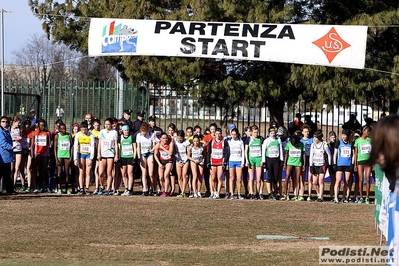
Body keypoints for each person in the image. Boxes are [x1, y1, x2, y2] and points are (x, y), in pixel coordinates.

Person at [97, 117, 119, 195]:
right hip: (103, 154)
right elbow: (99, 143)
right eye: (106, 124)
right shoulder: (102, 132)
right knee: (100, 173)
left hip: (110, 154)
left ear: (111, 125)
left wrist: (116, 155)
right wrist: (98, 153)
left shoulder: (114, 132)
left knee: (109, 172)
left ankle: (108, 188)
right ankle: (102, 186)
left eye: (108, 124)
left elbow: (116, 144)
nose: (107, 126)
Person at [309, 130, 331, 202]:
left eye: (315, 138)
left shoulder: (324, 145)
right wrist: (311, 165)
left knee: (320, 181)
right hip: (315, 165)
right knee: (314, 182)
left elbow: (329, 154)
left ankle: (321, 197)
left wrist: (329, 164)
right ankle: (318, 193)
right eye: (314, 138)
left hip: (322, 165)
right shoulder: (313, 145)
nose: (314, 139)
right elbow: (311, 156)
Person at [206, 127, 229, 199]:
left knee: (219, 178)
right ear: (214, 134)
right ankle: (214, 191)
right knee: (213, 178)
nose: (218, 135)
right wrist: (208, 162)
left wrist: (225, 162)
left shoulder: (224, 142)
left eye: (219, 134)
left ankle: (218, 193)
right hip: (213, 162)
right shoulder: (211, 142)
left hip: (220, 162)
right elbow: (209, 152)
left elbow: (226, 153)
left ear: (221, 134)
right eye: (216, 133)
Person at [73, 121, 95, 195]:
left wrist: (91, 158)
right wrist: (75, 159)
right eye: (82, 129)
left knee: (88, 172)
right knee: (81, 172)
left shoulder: (91, 135)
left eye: (85, 130)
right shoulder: (78, 135)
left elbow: (92, 147)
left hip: (88, 154)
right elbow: (76, 146)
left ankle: (87, 188)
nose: (84, 131)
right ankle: (81, 188)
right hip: (81, 154)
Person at [262, 127, 283, 200]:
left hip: (276, 159)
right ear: (269, 133)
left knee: (275, 177)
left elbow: (280, 150)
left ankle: (275, 192)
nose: (273, 135)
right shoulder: (266, 141)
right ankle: (269, 192)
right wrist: (264, 161)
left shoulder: (278, 140)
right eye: (271, 133)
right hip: (269, 159)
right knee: (269, 177)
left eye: (274, 133)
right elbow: (264, 151)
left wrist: (281, 159)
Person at [333, 129, 354, 203]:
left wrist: (352, 164)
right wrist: (334, 164)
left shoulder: (350, 144)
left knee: (347, 181)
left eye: (345, 135)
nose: (343, 136)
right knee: (338, 181)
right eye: (342, 135)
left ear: (347, 136)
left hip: (348, 165)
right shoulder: (338, 142)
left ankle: (344, 197)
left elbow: (353, 154)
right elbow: (335, 154)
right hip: (339, 164)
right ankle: (336, 197)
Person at [282, 135, 305, 201]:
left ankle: (296, 195)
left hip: (298, 163)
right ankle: (285, 194)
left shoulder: (301, 144)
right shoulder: (288, 144)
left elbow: (303, 154)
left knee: (297, 179)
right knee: (287, 177)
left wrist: (303, 164)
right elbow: (286, 153)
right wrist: (285, 163)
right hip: (290, 163)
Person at [31, 119, 51, 193]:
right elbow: (32, 145)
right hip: (38, 154)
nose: (42, 127)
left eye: (44, 125)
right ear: (38, 125)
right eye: (41, 125)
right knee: (39, 170)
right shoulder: (34, 133)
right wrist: (32, 155)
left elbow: (49, 144)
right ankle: (41, 186)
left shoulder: (47, 133)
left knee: (45, 169)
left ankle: (47, 186)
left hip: (45, 154)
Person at [245, 125, 264, 200]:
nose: (256, 134)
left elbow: (263, 150)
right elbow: (246, 151)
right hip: (251, 159)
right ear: (251, 132)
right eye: (255, 132)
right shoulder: (248, 139)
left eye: (257, 132)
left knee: (259, 178)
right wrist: (247, 160)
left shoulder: (261, 139)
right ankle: (251, 193)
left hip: (259, 159)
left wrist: (263, 160)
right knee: (251, 178)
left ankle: (257, 192)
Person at [353, 125, 372, 204]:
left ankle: (367, 197)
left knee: (367, 179)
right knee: (360, 179)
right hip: (360, 161)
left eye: (369, 131)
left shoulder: (370, 140)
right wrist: (355, 164)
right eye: (367, 131)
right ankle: (361, 197)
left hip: (368, 161)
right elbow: (356, 153)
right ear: (363, 131)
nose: (368, 132)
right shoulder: (358, 141)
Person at [153, 132, 174, 197]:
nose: (165, 140)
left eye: (166, 138)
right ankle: (163, 189)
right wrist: (159, 163)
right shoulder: (158, 144)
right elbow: (155, 155)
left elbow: (170, 153)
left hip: (169, 161)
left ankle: (165, 191)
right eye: (163, 138)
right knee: (161, 178)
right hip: (161, 161)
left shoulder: (171, 143)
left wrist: (163, 148)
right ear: (160, 139)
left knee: (166, 175)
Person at [136, 122, 155, 196]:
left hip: (150, 154)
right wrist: (138, 157)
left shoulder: (151, 135)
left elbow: (154, 145)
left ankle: (151, 188)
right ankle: (145, 188)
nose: (144, 134)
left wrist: (152, 150)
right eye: (142, 132)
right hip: (142, 154)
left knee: (150, 173)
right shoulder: (139, 135)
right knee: (144, 173)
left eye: (145, 132)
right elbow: (138, 147)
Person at [53, 122, 72, 194]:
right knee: (59, 173)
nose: (64, 130)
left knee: (67, 172)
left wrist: (71, 157)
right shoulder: (57, 136)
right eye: (62, 129)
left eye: (65, 129)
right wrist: (56, 158)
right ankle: (59, 188)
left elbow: (71, 147)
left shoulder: (69, 135)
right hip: (60, 156)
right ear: (59, 130)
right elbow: (54, 148)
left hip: (67, 156)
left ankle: (67, 189)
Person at [227, 128, 245, 200]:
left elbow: (243, 152)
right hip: (231, 161)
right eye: (232, 134)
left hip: (239, 161)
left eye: (235, 134)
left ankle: (239, 194)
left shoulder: (240, 142)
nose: (234, 136)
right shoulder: (229, 142)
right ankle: (232, 194)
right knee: (232, 178)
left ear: (237, 134)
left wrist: (243, 162)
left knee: (239, 179)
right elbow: (227, 153)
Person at [0, 116, 15, 194]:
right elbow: (2, 143)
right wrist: (11, 147)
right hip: (2, 156)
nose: (5, 123)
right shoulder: (0, 131)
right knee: (5, 174)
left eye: (6, 122)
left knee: (7, 174)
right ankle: (10, 190)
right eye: (3, 121)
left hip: (7, 156)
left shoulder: (6, 131)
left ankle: (10, 190)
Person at [119, 125, 136, 196]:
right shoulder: (120, 138)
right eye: (125, 130)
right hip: (123, 157)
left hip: (130, 157)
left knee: (130, 173)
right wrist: (119, 157)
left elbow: (135, 148)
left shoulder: (132, 137)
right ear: (122, 131)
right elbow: (119, 148)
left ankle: (130, 189)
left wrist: (134, 158)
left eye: (127, 130)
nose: (126, 132)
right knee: (124, 174)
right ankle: (126, 188)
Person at [10, 116, 25, 191]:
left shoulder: (20, 129)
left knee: (17, 168)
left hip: (18, 149)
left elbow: (21, 137)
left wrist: (20, 138)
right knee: (11, 168)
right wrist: (15, 139)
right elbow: (9, 137)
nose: (18, 124)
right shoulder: (10, 129)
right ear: (14, 122)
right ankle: (9, 184)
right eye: (18, 123)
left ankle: (13, 185)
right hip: (12, 149)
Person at [174, 130, 190, 197]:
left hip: (185, 160)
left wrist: (184, 161)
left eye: (181, 138)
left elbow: (188, 152)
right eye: (178, 138)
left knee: (184, 175)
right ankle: (182, 191)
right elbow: (174, 152)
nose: (180, 139)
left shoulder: (187, 142)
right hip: (178, 160)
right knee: (179, 176)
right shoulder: (174, 141)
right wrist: (178, 160)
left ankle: (183, 191)